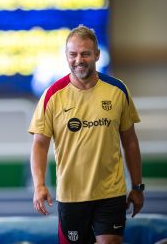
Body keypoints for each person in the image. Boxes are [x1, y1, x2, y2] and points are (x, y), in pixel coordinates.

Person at [28, 25, 144, 244]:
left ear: (97, 55)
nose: (78, 60)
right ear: (66, 56)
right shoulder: (53, 96)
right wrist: (39, 185)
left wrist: (137, 187)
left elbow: (130, 141)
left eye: (85, 54)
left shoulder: (117, 91)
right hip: (71, 196)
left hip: (111, 193)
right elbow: (39, 144)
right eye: (73, 54)